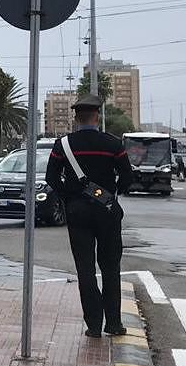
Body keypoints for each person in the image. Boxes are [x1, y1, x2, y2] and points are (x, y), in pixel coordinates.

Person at [46, 94, 133, 338]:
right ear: (97, 116)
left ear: (76, 118)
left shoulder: (63, 145)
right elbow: (128, 177)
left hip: (78, 212)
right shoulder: (113, 144)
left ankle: (94, 325)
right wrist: (112, 194)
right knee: (111, 267)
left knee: (85, 269)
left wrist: (69, 197)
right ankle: (113, 323)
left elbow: (51, 178)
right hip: (107, 211)